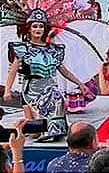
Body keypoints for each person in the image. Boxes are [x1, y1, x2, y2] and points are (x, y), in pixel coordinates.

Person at [3, 9, 88, 142]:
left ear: (45, 29)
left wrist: (80, 83)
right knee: (34, 129)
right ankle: (28, 129)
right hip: (31, 89)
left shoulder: (53, 50)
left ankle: (55, 130)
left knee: (57, 98)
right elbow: (12, 71)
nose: (38, 29)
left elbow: (63, 70)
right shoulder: (22, 48)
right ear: (29, 29)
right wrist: (7, 90)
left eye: (41, 26)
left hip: (49, 86)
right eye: (35, 26)